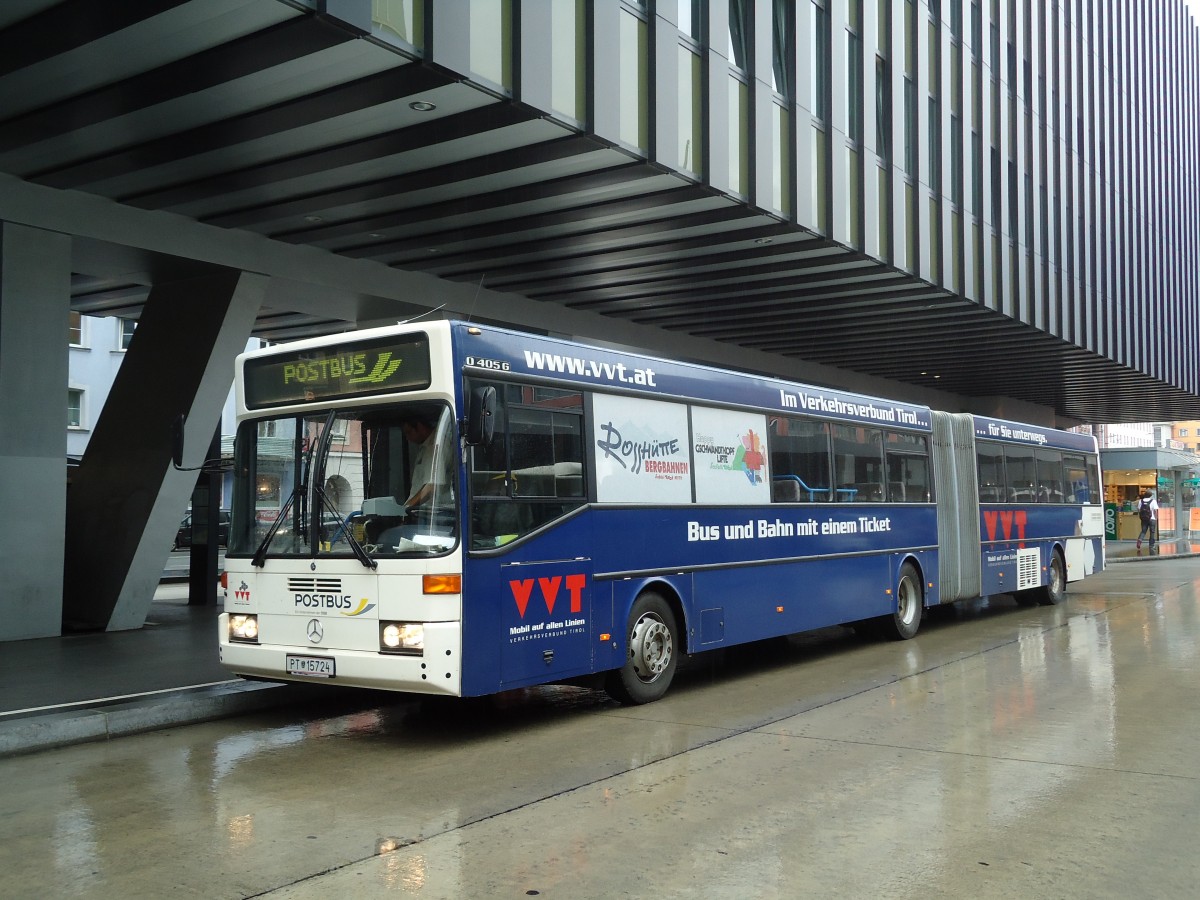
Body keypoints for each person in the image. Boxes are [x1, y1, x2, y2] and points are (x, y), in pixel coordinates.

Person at [399, 416, 441, 511]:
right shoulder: (424, 447)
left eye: (409, 432)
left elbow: (432, 486)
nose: (407, 438)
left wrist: (406, 508)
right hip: (420, 510)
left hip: (432, 513)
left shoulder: (436, 445)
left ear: (420, 427)